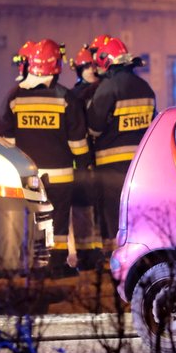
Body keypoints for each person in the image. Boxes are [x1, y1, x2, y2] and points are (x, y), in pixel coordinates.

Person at [0, 39, 89, 278]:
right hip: (61, 176)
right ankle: (56, 265)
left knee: (30, 219)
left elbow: (6, 141)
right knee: (58, 222)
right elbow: (78, 141)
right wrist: (83, 166)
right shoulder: (66, 98)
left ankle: (31, 265)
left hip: (27, 177)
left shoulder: (14, 97)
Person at [87, 36, 156, 252]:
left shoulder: (108, 88)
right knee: (137, 210)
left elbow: (94, 127)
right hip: (140, 164)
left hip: (111, 164)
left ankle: (114, 257)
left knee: (113, 212)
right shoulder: (146, 88)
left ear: (106, 61)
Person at [67, 41, 103, 271]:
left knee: (100, 208)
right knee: (84, 206)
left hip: (103, 156)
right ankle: (85, 252)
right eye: (86, 67)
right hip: (83, 158)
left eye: (93, 66)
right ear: (79, 70)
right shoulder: (74, 96)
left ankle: (99, 252)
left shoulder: (106, 90)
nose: (91, 70)